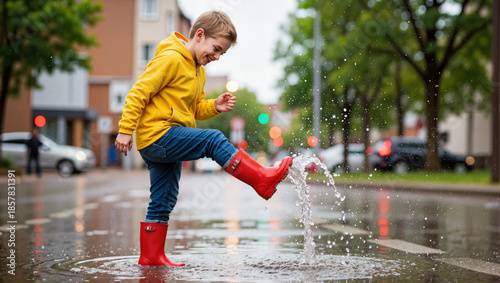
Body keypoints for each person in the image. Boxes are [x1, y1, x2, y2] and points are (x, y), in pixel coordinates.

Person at [115, 11, 292, 267]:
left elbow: (193, 109)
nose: (217, 57)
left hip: (169, 139)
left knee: (164, 199)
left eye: (222, 53)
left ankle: (151, 257)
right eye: (216, 48)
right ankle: (261, 179)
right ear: (200, 35)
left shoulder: (198, 71)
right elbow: (138, 93)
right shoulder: (171, 59)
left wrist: (213, 106)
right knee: (212, 140)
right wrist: (124, 128)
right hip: (158, 135)